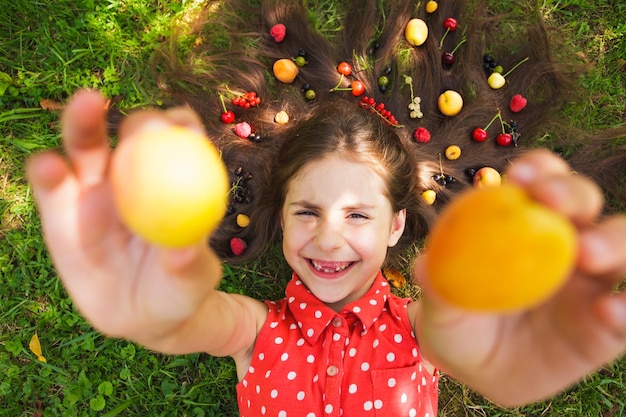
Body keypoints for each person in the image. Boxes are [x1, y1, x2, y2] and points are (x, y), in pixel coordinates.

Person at [27, 0, 626, 415]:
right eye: (306, 212)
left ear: (397, 225)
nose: (328, 239)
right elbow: (194, 320)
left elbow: (457, 344)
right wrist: (155, 316)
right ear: (279, 216)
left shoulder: (426, 328)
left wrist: (495, 331)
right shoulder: (252, 330)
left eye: (357, 215)